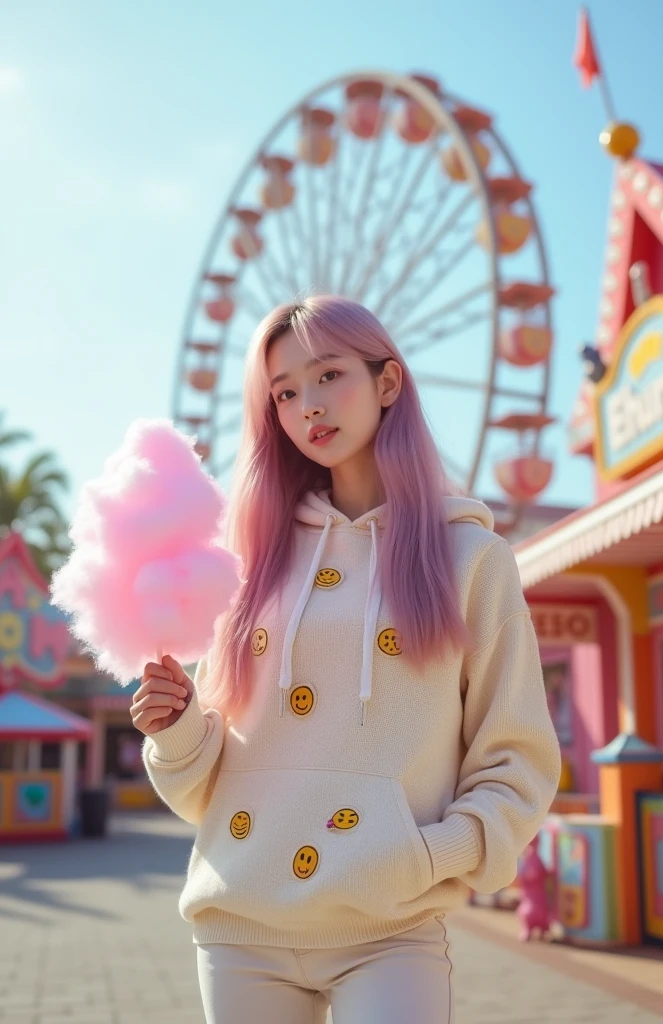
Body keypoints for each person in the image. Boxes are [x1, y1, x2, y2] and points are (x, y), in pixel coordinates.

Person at [130, 295, 561, 1023]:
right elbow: (206, 781)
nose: (309, 407)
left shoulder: (471, 560)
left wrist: (425, 856)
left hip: (390, 928)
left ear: (388, 382)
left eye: (329, 376)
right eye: (286, 392)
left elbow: (517, 759)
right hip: (241, 924)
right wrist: (173, 728)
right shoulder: (247, 563)